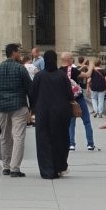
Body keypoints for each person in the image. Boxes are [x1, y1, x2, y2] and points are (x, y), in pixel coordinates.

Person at [0, 43, 33, 176]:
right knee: (18, 137)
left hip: (2, 106)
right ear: (13, 53)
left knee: (5, 137)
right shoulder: (21, 69)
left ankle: (6, 166)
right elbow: (30, 89)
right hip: (19, 105)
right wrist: (32, 108)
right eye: (18, 52)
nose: (20, 54)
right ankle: (15, 168)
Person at [30, 50, 73, 179]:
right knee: (60, 140)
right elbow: (70, 94)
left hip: (43, 113)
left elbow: (33, 95)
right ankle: (58, 166)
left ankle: (47, 170)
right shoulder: (62, 76)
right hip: (60, 113)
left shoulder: (39, 76)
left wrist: (33, 109)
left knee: (44, 141)